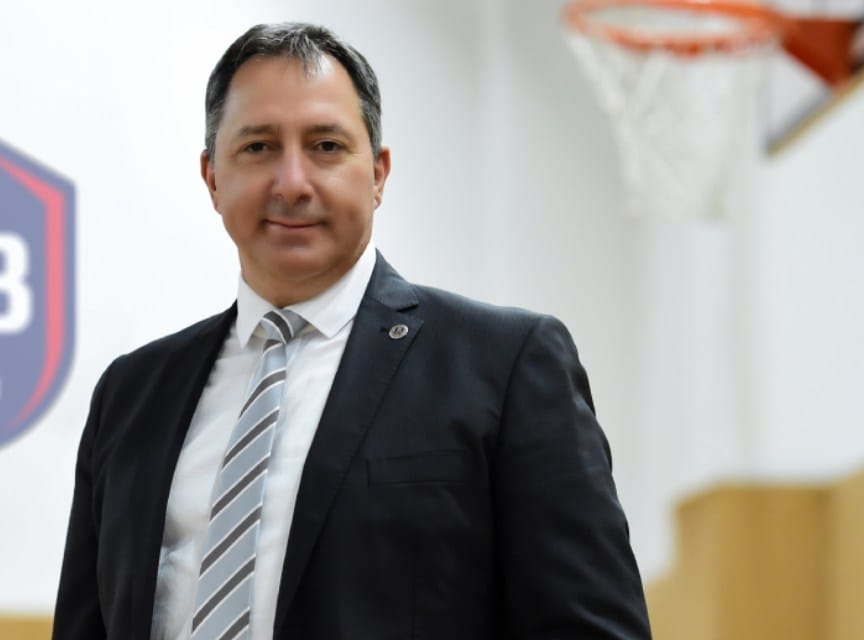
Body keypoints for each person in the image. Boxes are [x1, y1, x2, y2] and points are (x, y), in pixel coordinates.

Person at [53, 22, 651, 640]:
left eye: (326, 145)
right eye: (258, 147)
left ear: (378, 173)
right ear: (212, 178)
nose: (292, 182)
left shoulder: (505, 368)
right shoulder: (130, 396)